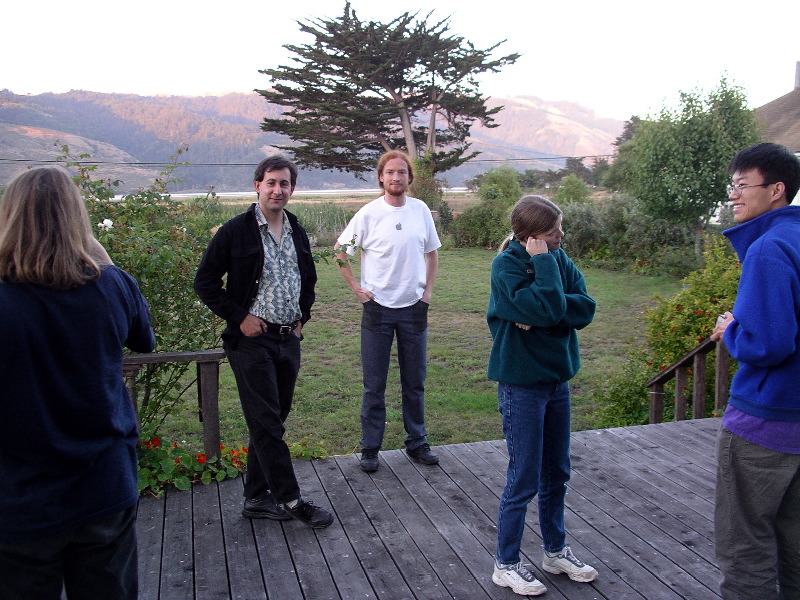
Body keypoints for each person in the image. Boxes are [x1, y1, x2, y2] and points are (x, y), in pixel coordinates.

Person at [0, 166, 155, 600]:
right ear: (78, 218)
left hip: (21, 499)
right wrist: (100, 256)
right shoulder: (111, 285)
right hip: (103, 487)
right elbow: (144, 339)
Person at [194, 155, 333, 529]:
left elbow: (308, 276)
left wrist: (303, 317)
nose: (277, 190)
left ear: (292, 188)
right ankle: (289, 499)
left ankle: (256, 497)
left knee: (271, 421)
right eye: (271, 182)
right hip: (251, 344)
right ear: (257, 185)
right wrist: (240, 317)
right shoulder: (234, 231)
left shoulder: (296, 229)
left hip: (289, 341)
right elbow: (205, 283)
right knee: (267, 423)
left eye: (284, 183)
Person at [486, 195, 598, 596]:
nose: (561, 235)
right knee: (524, 475)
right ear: (533, 237)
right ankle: (507, 562)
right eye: (554, 232)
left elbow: (584, 308)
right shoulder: (507, 265)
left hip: (557, 383)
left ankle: (554, 551)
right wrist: (547, 290)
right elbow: (551, 310)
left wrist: (544, 310)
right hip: (521, 386)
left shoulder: (560, 257)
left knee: (557, 472)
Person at [710, 142, 800, 600]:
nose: (734, 195)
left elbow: (769, 343)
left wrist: (732, 330)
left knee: (746, 552)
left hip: (765, 425)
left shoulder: (769, 248)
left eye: (743, 185)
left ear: (777, 190)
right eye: (733, 186)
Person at [335, 150, 441, 473]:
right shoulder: (368, 214)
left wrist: (427, 294)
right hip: (377, 311)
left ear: (410, 178)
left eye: (402, 172)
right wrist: (357, 290)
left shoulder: (421, 210)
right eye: (390, 172)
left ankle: (417, 442)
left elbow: (432, 254)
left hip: (414, 309)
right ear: (380, 177)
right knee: (374, 384)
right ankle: (370, 448)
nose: (396, 177)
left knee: (415, 382)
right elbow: (341, 252)